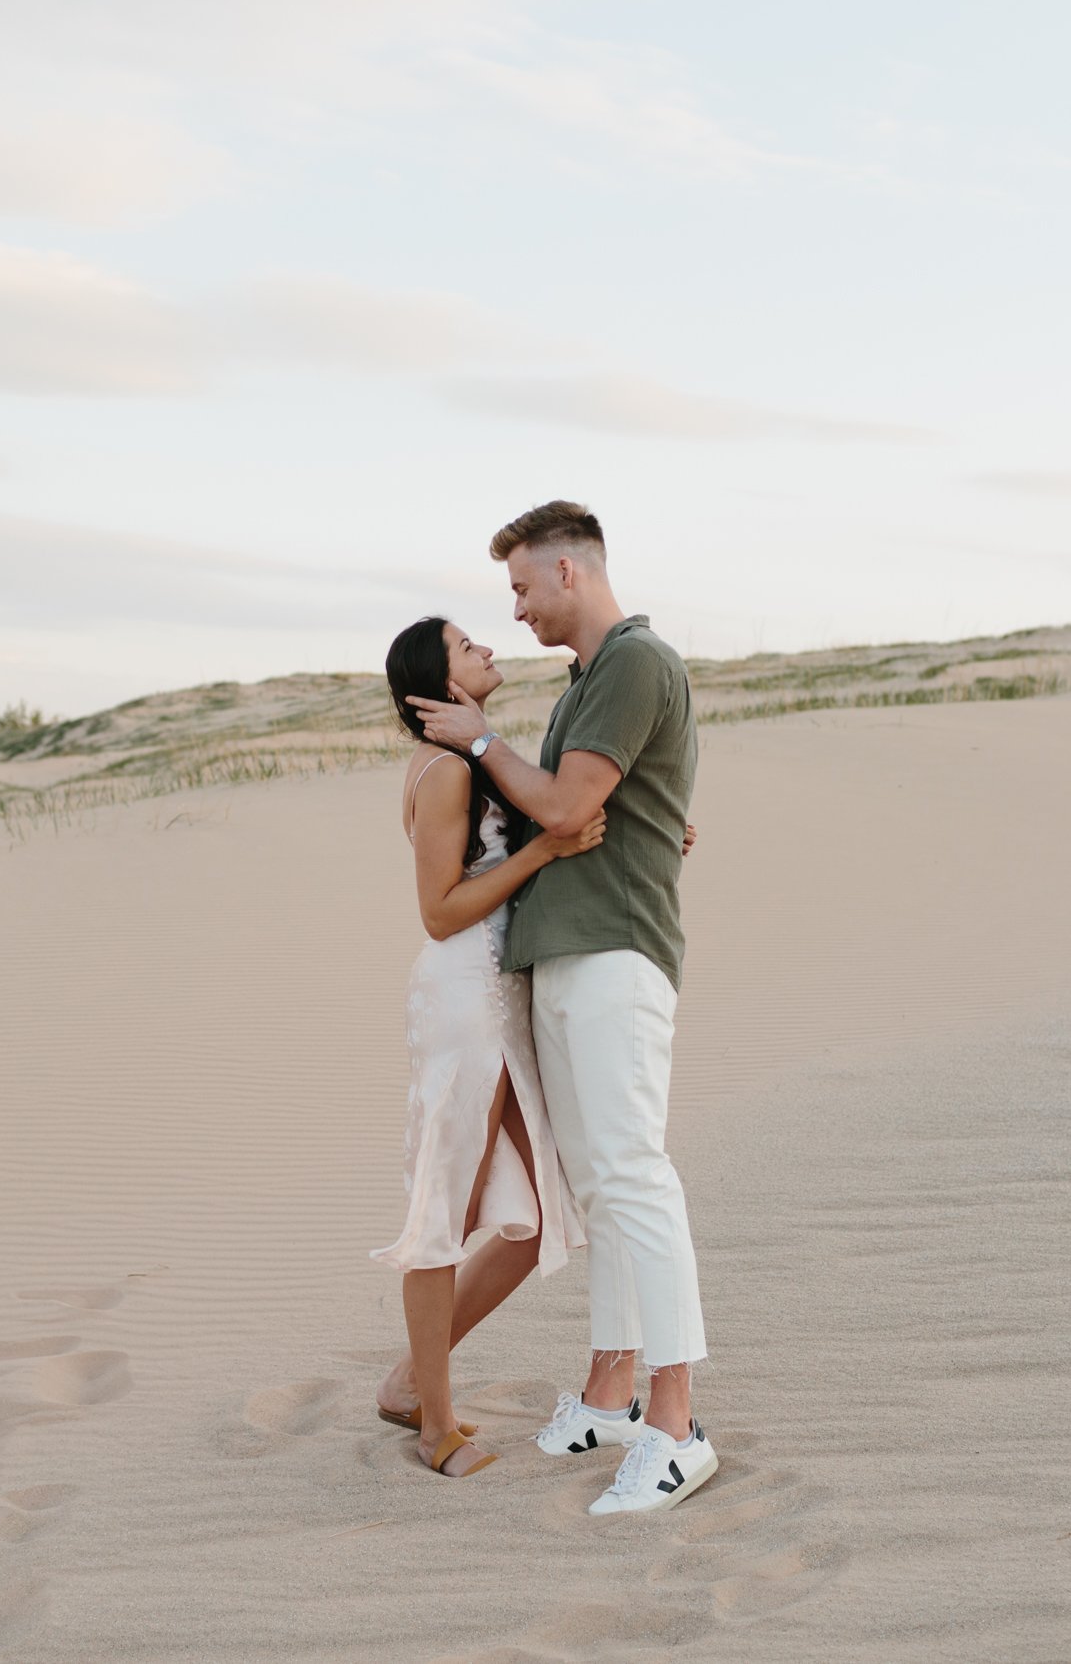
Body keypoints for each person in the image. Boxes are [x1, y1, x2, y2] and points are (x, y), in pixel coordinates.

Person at [408, 500, 718, 1516]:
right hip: (567, 954)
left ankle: (675, 1423)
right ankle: (611, 1389)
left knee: (631, 1171)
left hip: (613, 952)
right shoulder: (590, 681)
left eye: (523, 586)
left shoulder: (633, 660)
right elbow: (583, 801)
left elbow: (565, 806)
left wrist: (488, 739)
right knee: (597, 1178)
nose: (518, 606)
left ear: (569, 571)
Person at [370, 616, 602, 1477]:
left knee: (531, 1213)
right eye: (469, 646)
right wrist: (543, 848)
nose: (489, 650)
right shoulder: (441, 775)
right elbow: (439, 911)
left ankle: (407, 1379)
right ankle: (436, 1425)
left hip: (502, 997)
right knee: (442, 1210)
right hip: (464, 998)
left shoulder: (478, 765)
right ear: (437, 686)